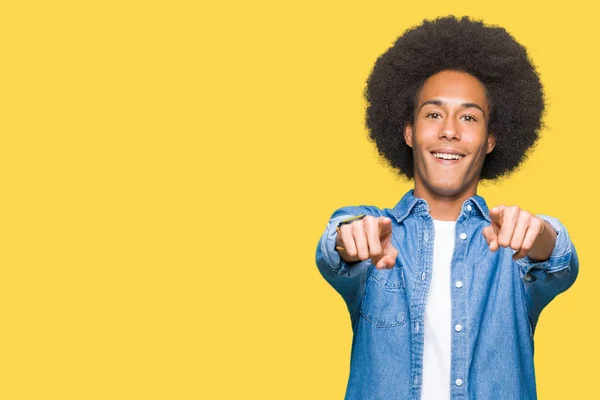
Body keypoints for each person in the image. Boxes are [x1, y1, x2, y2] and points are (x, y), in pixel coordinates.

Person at [315, 16, 578, 400]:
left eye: (469, 117)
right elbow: (335, 245)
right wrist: (349, 237)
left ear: (490, 140)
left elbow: (559, 260)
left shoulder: (513, 243)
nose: (450, 130)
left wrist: (540, 233)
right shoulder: (376, 234)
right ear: (408, 131)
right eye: (434, 114)